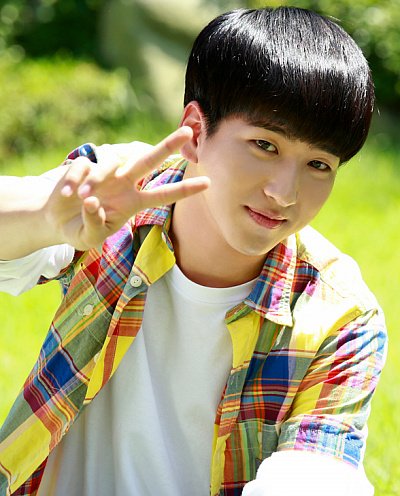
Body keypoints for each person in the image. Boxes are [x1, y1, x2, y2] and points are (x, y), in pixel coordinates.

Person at [0, 6, 387, 496]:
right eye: (264, 145)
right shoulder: (125, 193)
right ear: (196, 132)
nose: (285, 193)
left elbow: (315, 476)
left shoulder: (340, 315)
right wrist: (44, 217)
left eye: (318, 164)